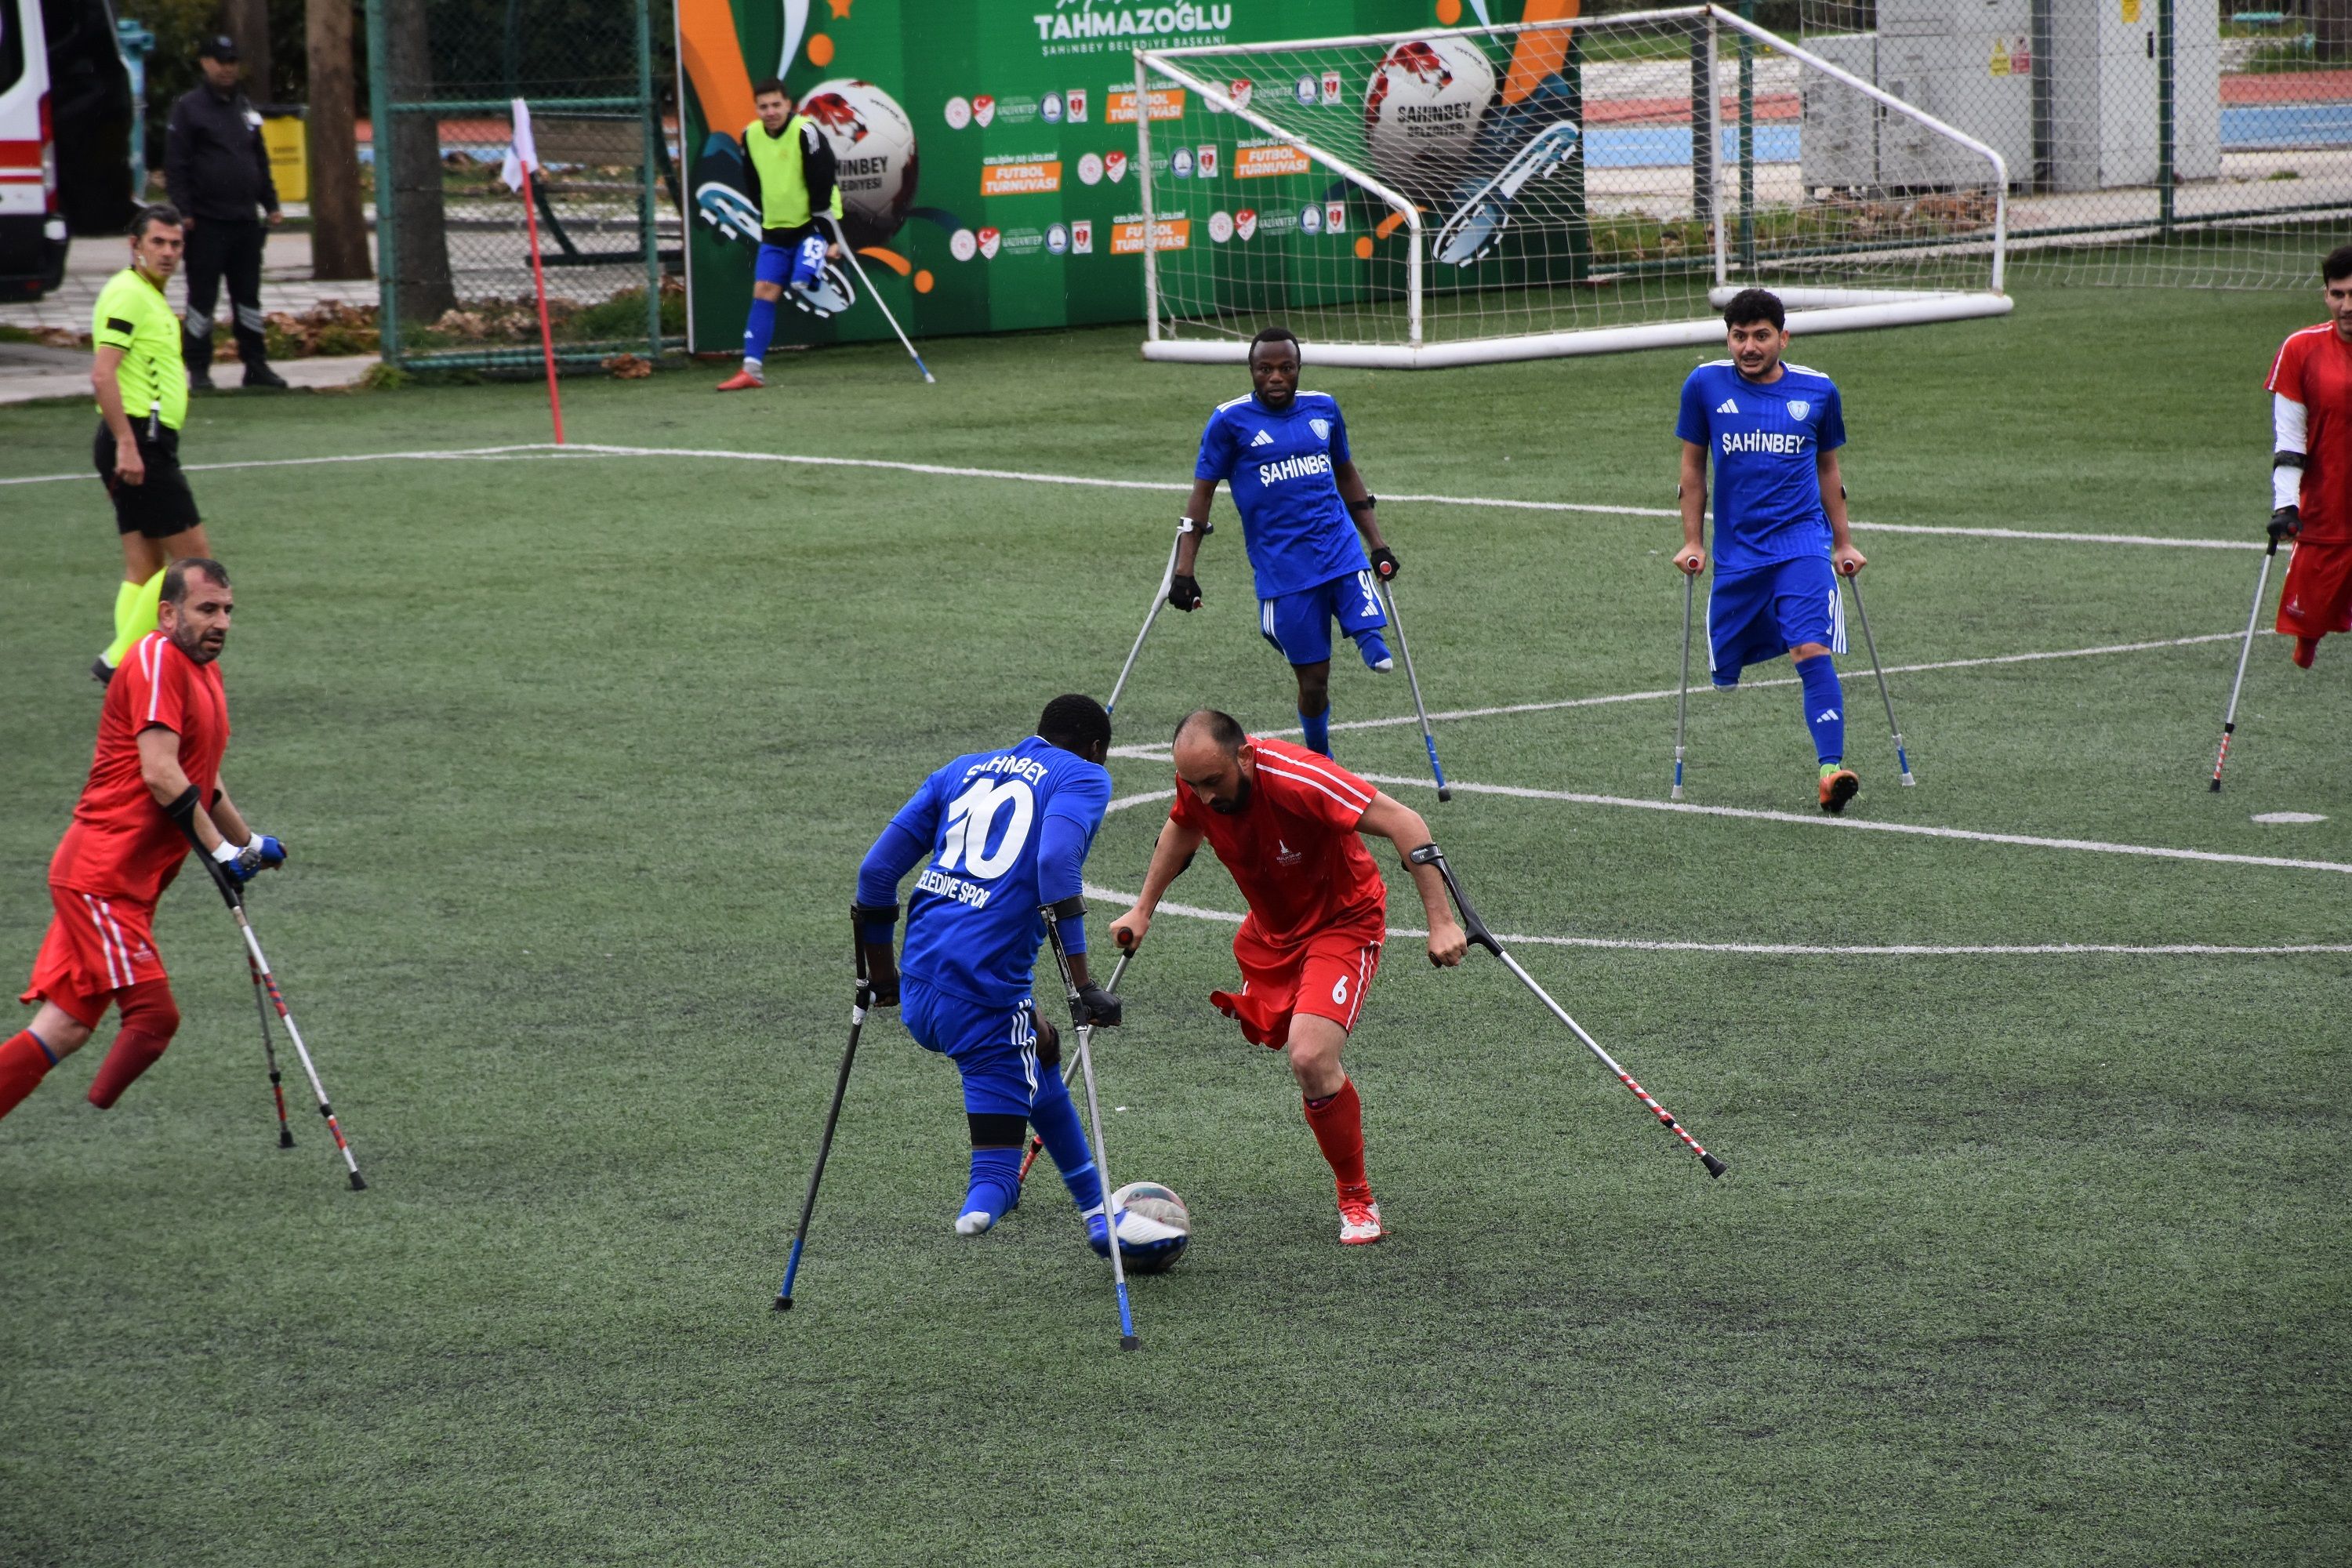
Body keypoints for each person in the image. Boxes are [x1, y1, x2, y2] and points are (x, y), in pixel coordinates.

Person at [1111, 710, 1467, 1246]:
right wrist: (1142, 910)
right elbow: (1183, 826)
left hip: (1342, 923)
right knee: (1303, 1054)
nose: (1204, 796)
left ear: (1245, 757)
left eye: (1213, 782)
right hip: (1271, 935)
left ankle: (1357, 1200)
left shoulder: (1299, 778)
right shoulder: (1200, 786)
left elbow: (1406, 823)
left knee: (1310, 1056)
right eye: (1192, 784)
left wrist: (1440, 922)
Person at [2, 560, 286, 1127]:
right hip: (100, 878)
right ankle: (95, 1112)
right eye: (207, 609)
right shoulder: (156, 659)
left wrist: (248, 842)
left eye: (228, 610)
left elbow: (201, 775)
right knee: (154, 1019)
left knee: (65, 1028)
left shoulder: (204, 670)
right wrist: (221, 854)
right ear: (168, 613)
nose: (222, 622)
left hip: (128, 885)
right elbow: (161, 773)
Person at [853, 695, 1124, 1249]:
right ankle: (989, 1206)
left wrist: (881, 979)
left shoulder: (962, 769)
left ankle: (1098, 1211)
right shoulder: (1085, 776)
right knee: (995, 1172)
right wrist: (1082, 985)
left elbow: (876, 873)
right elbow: (1055, 864)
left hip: (919, 984)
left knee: (1041, 1045)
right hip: (983, 1000)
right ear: (1097, 748)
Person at [1165, 327, 1403, 757]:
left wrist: (1378, 544)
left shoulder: (1324, 408)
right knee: (1314, 683)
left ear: (1298, 369)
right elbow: (1202, 493)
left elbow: (1346, 472)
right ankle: (1320, 754)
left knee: (1360, 603)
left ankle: (1369, 637)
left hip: (1338, 545)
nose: (1276, 377)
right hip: (1283, 568)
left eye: (1286, 368)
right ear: (1251, 371)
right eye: (1265, 369)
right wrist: (1185, 571)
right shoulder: (1229, 421)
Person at [1675, 288, 1867, 813]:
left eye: (1761, 336)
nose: (1749, 347)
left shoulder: (1818, 391)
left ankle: (1830, 770)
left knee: (1810, 648)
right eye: (1739, 336)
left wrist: (1842, 542)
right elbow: (1692, 468)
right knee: (1725, 674)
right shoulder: (1704, 385)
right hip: (1739, 554)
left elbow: (1828, 469)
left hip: (1802, 544)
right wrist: (1693, 540)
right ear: (1728, 339)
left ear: (1784, 337)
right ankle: (1735, 660)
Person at [89, 205, 216, 686]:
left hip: (139, 441)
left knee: (144, 568)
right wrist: (127, 444)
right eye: (157, 242)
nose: (167, 252)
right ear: (135, 245)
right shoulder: (130, 296)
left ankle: (137, 673)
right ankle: (118, 664)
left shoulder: (146, 294)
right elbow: (103, 374)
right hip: (141, 443)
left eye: (175, 244)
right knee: (195, 564)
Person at [165, 34, 286, 392]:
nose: (227, 68)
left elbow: (259, 158)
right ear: (205, 63)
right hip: (206, 221)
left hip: (245, 221)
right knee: (202, 298)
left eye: (232, 61)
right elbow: (176, 164)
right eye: (220, 61)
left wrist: (271, 203)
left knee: (248, 297)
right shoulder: (189, 108)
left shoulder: (244, 106)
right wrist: (184, 210)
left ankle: (256, 365)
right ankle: (199, 368)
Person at [716, 78, 844, 392]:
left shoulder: (806, 131)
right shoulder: (750, 135)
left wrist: (830, 236)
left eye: (776, 105)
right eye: (763, 107)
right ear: (756, 109)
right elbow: (752, 179)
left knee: (801, 278)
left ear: (788, 104)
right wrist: (766, 212)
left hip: (813, 222)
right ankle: (752, 370)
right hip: (775, 228)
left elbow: (823, 177)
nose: (770, 112)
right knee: (764, 290)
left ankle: (811, 270)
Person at [2263, 242, 2352, 669]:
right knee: (2308, 621)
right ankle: (2309, 636)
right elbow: (2290, 439)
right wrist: (2286, 505)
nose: (2348, 306)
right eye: (2338, 294)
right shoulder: (2300, 349)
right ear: (2325, 295)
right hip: (2327, 508)